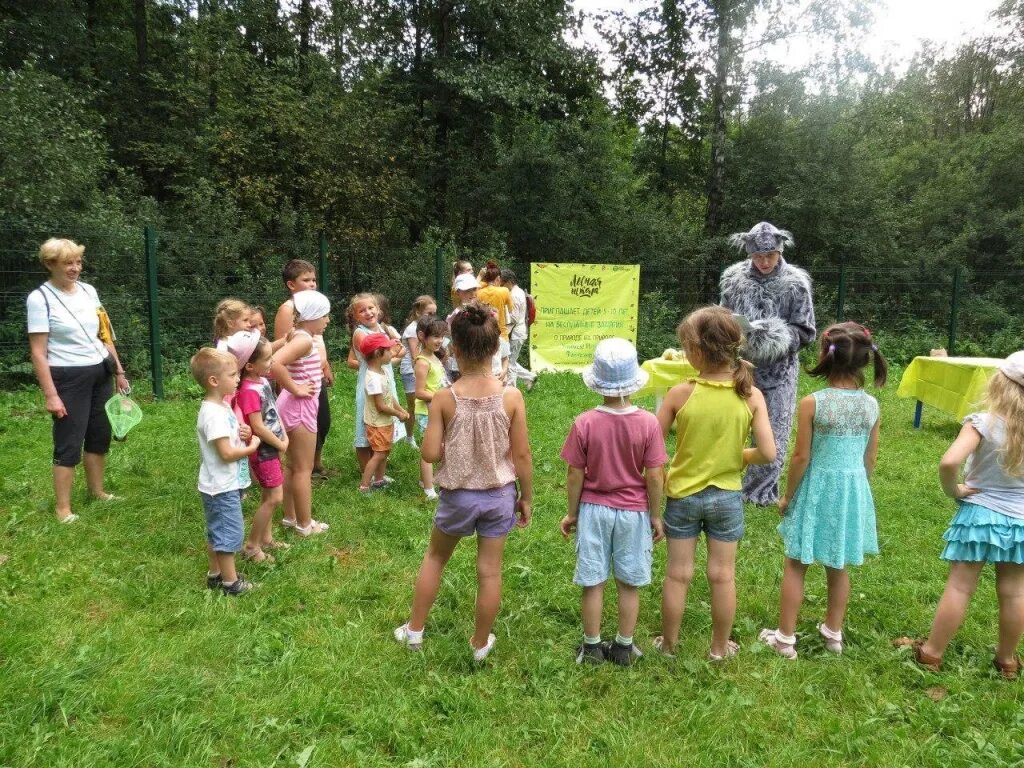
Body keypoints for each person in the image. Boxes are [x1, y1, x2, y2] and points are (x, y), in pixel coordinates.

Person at [394, 303, 533, 662]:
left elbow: (428, 454)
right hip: (500, 496)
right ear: (495, 348)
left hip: (457, 497)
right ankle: (479, 644)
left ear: (453, 349)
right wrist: (527, 497)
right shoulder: (512, 397)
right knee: (490, 572)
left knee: (436, 558)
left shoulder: (444, 398)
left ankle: (414, 631)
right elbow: (522, 457)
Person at [759, 322, 888, 659]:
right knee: (839, 564)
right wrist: (859, 488)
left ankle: (785, 639)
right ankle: (833, 634)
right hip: (852, 488)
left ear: (826, 356)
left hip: (816, 488)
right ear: (863, 360)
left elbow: (801, 456)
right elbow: (870, 457)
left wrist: (787, 496)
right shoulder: (871, 406)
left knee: (796, 563)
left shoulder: (812, 403)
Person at [654, 306, 776, 660]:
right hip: (727, 498)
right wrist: (740, 456)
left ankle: (670, 646)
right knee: (722, 576)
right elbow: (768, 453)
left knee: (678, 576)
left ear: (695, 351)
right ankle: (720, 649)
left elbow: (651, 447)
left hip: (682, 497)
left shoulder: (679, 394)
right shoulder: (751, 396)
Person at [909, 351, 1024, 680]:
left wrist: (954, 490)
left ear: (1000, 383)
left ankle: (932, 652)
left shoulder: (984, 422)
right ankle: (1007, 661)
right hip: (1021, 522)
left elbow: (948, 463)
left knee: (960, 587)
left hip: (979, 515)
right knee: (1016, 592)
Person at [560, 338, 667, 666]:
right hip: (634, 513)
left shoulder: (585, 422)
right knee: (628, 582)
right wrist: (656, 515)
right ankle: (623, 647)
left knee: (592, 581)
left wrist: (572, 513)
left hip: (593, 511)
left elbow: (575, 475)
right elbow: (655, 475)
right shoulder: (649, 423)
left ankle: (591, 647)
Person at [26, 238, 130, 523]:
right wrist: (51, 394)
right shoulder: (40, 298)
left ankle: (97, 492)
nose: (75, 268)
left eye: (78, 262)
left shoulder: (89, 291)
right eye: (68, 263)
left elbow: (104, 334)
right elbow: (37, 352)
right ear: (50, 264)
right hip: (67, 376)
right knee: (69, 441)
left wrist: (118, 371)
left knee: (99, 435)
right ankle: (63, 508)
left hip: (100, 370)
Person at [720, 222, 816, 505]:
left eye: (770, 256)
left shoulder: (796, 283)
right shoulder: (733, 279)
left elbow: (806, 329)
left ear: (780, 251)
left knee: (774, 426)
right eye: (758, 256)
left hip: (779, 370)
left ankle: (760, 489)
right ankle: (725, 478)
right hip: (738, 365)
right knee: (731, 422)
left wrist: (775, 338)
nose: (763, 262)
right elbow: (722, 317)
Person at [190, 347, 260, 595]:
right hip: (221, 486)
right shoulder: (214, 414)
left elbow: (229, 440)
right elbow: (227, 453)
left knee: (216, 531)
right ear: (214, 380)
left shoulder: (220, 407)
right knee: (230, 534)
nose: (238, 378)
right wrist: (251, 446)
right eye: (232, 375)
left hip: (219, 483)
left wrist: (243, 433)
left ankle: (215, 574)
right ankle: (231, 583)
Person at [273, 290, 331, 537]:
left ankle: (290, 517)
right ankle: (305, 525)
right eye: (325, 316)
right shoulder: (304, 339)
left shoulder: (298, 335)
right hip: (300, 407)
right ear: (313, 316)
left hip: (291, 404)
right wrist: (296, 387)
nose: (328, 321)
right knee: (303, 469)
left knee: (292, 466)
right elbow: (274, 363)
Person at [231, 332, 291, 562]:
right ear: (249, 366)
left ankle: (266, 539)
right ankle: (252, 546)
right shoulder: (248, 390)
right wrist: (280, 443)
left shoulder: (263, 381)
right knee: (274, 497)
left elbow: (273, 413)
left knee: (269, 494)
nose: (272, 362)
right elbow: (256, 425)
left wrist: (283, 437)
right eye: (266, 360)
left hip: (275, 444)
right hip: (262, 450)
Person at [274, 260, 334, 479]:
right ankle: (303, 468)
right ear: (291, 284)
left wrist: (325, 365)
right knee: (309, 425)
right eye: (305, 280)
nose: (312, 284)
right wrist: (289, 386)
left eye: (314, 280)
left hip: (315, 376)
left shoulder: (314, 312)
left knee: (323, 421)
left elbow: (316, 340)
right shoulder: (289, 309)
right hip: (299, 380)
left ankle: (314, 465)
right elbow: (285, 346)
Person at [348, 293, 405, 483]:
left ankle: (378, 474)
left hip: (386, 379)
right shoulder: (360, 333)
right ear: (356, 316)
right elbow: (375, 353)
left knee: (382, 427)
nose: (368, 312)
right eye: (362, 310)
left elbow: (397, 349)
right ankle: (368, 474)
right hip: (370, 382)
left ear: (378, 310)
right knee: (367, 427)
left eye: (371, 308)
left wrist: (394, 349)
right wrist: (395, 348)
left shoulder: (382, 328)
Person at [359, 333, 410, 493]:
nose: (392, 353)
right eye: (388, 350)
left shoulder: (382, 371)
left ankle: (379, 480)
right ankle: (364, 486)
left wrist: (400, 409)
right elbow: (380, 405)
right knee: (379, 454)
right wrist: (397, 414)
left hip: (385, 421)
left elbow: (390, 397)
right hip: (377, 422)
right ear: (377, 353)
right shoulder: (373, 378)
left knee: (384, 452)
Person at [414, 315, 450, 500]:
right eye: (435, 336)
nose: (440, 340)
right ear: (422, 336)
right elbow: (419, 392)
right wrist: (443, 397)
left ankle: (426, 480)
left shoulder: (434, 357)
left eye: (442, 336)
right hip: (426, 412)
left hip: (437, 410)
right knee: (428, 451)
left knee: (440, 446)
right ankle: (429, 490)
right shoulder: (422, 362)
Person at [400, 295, 438, 448]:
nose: (432, 317)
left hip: (424, 369)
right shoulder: (412, 330)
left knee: (426, 404)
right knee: (414, 405)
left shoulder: (426, 328)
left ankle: (425, 433)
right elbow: (416, 357)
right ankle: (409, 437)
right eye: (429, 313)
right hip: (411, 371)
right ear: (418, 312)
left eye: (434, 314)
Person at [500, 268, 536, 392]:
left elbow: (513, 317)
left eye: (502, 283)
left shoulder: (514, 295)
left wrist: (501, 324)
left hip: (515, 332)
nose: (501, 286)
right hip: (518, 331)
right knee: (510, 360)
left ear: (509, 282)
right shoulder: (519, 291)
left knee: (510, 364)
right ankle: (530, 377)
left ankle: (511, 390)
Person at [444, 273, 479, 383]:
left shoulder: (482, 310)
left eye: (474, 289)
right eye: (467, 290)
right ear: (458, 292)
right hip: (462, 364)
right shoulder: (456, 315)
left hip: (480, 361)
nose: (472, 293)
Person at [476, 260, 515, 342]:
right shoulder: (504, 291)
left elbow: (475, 287)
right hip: (501, 334)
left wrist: (482, 281)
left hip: (484, 333)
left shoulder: (478, 292)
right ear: (498, 278)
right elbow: (511, 309)